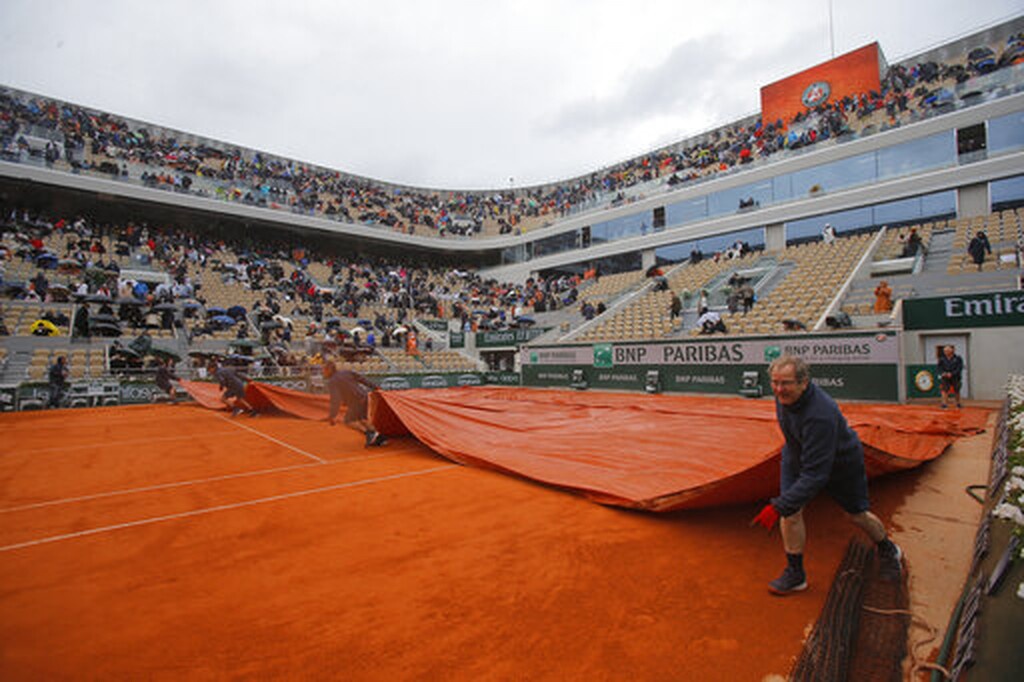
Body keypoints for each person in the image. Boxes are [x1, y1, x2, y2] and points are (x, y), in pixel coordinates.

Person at [752, 355, 902, 595]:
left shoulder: (819, 415)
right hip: (797, 455)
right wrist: (787, 506)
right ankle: (795, 573)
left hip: (841, 464)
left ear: (804, 382)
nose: (779, 389)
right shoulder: (784, 397)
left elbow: (816, 475)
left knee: (856, 514)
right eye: (775, 382)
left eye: (786, 383)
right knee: (791, 513)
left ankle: (888, 548)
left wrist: (778, 506)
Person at [322, 360, 386, 447]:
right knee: (363, 419)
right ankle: (379, 436)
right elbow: (362, 379)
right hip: (364, 396)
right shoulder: (346, 372)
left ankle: (369, 434)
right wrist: (375, 387)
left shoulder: (332, 382)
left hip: (355, 400)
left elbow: (335, 400)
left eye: (324, 370)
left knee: (348, 421)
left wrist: (332, 416)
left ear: (329, 370)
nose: (323, 372)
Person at [937, 345, 963, 409]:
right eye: (945, 351)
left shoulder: (958, 358)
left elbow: (959, 368)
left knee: (956, 390)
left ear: (952, 351)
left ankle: (958, 404)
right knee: (944, 390)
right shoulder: (942, 359)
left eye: (947, 351)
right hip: (945, 377)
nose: (946, 352)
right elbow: (939, 367)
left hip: (955, 377)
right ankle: (944, 404)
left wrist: (952, 374)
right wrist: (942, 373)